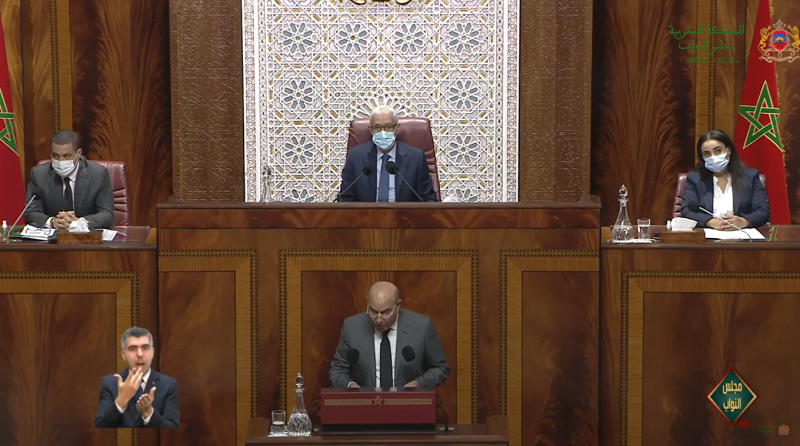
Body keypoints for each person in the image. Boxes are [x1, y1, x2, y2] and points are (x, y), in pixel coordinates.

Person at [329, 281, 449, 389]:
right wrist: (350, 386)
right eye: (373, 311)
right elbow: (337, 370)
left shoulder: (422, 327)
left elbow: (440, 368)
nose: (378, 319)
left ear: (398, 305)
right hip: (366, 403)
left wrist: (419, 383)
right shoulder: (352, 327)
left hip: (408, 403)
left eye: (385, 312)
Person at [338, 106, 438, 202]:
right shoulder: (355, 157)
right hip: (366, 213)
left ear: (397, 129)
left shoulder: (415, 158)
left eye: (388, 127)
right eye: (377, 127)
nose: (383, 132)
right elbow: (345, 199)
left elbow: (428, 199)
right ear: (371, 130)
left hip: (404, 213)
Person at [24, 130, 114, 230]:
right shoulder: (39, 174)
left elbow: (106, 214)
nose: (61, 161)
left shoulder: (98, 174)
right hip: (53, 236)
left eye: (66, 156)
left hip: (86, 236)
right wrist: (52, 222)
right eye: (56, 156)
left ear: (78, 153)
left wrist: (79, 223)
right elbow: (30, 212)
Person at [681, 130, 770, 229]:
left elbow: (762, 211)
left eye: (718, 151)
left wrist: (744, 221)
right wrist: (711, 222)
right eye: (707, 154)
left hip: (742, 234)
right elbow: (687, 210)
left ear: (728, 151)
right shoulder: (695, 178)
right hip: (708, 235)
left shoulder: (750, 176)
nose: (713, 157)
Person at [95, 327, 179, 428]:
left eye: (145, 348)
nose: (140, 354)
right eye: (132, 349)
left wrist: (149, 413)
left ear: (152, 352)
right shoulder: (109, 383)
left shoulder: (169, 385)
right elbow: (100, 426)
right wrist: (121, 400)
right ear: (123, 355)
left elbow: (172, 429)